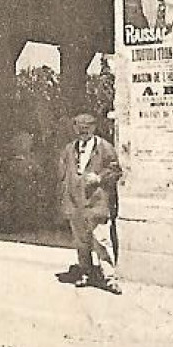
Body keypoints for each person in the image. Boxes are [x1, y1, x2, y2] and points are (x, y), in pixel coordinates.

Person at [57, 112, 122, 294]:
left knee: (101, 241)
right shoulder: (69, 149)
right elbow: (63, 175)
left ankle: (109, 278)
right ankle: (84, 272)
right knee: (81, 242)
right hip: (76, 204)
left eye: (87, 129)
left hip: (96, 204)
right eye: (79, 129)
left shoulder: (104, 148)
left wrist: (99, 178)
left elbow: (116, 171)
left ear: (94, 128)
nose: (83, 133)